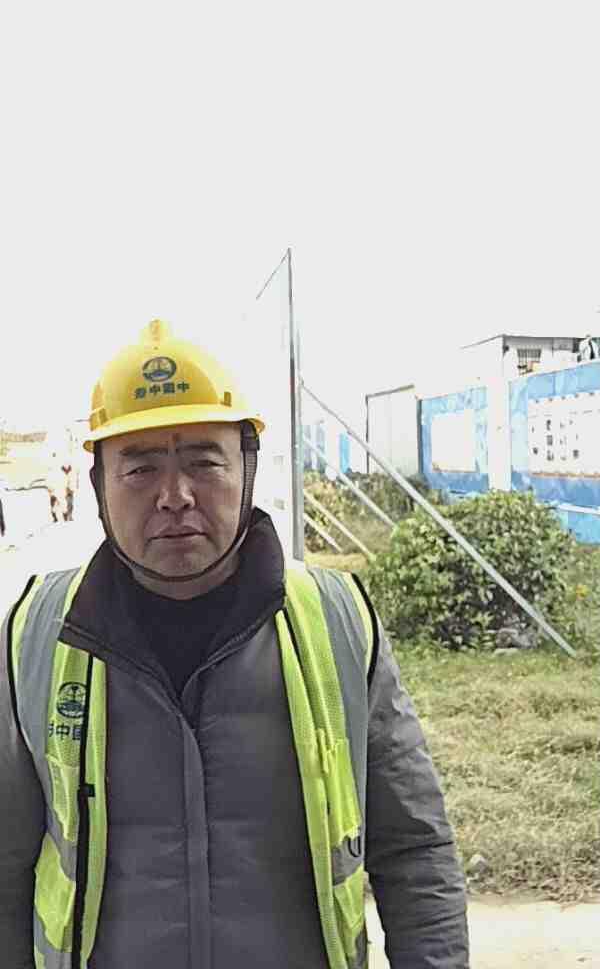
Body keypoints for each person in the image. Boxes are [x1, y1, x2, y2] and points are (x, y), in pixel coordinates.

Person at [0, 319, 469, 968]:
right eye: (140, 468)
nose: (175, 496)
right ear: (99, 482)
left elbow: (413, 850)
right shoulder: (34, 631)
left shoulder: (336, 620)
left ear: (247, 468)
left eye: (203, 461)